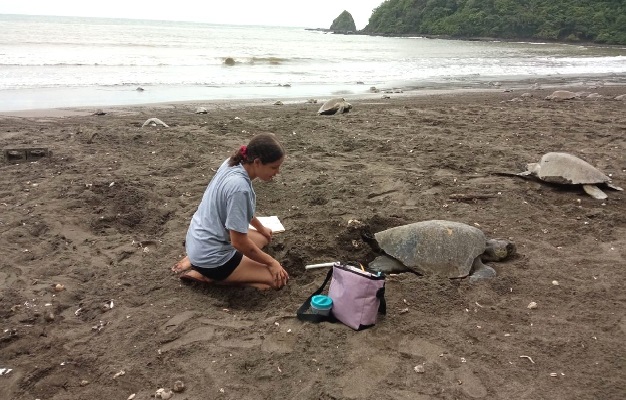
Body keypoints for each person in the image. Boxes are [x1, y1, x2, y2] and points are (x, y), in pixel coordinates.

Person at [171, 133, 289, 290]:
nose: (277, 172)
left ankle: (194, 260)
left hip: (201, 238)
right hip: (213, 258)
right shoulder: (239, 187)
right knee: (276, 280)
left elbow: (240, 209)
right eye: (274, 167)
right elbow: (238, 242)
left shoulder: (232, 163)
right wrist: (272, 262)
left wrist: (261, 228)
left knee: (263, 238)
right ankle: (208, 276)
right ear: (257, 162)